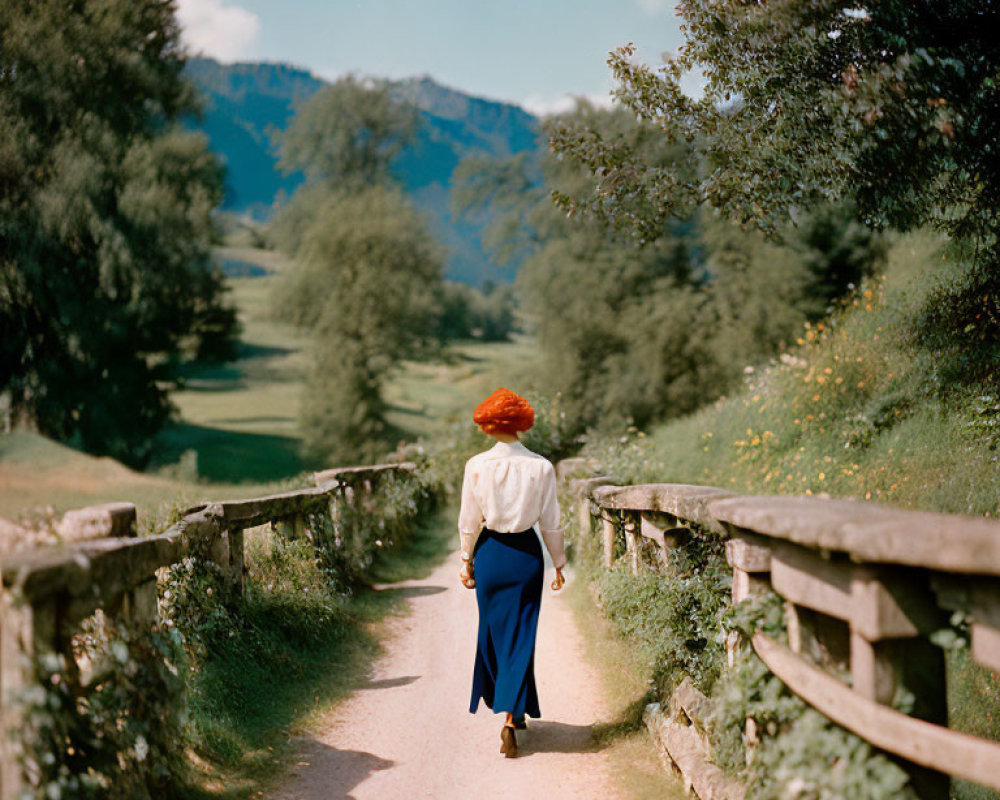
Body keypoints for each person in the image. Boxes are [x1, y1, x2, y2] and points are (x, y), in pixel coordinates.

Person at [458, 387, 567, 759]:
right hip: (525, 555)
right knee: (522, 633)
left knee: (492, 631)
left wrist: (465, 559)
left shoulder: (476, 465)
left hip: (490, 554)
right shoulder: (541, 466)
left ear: (489, 424)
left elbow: (469, 522)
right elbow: (551, 521)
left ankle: (508, 707)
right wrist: (560, 563)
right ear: (520, 424)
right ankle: (512, 713)